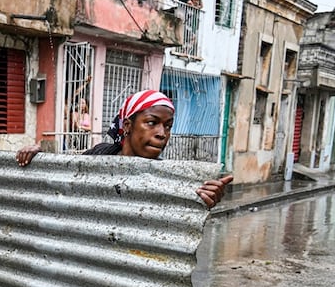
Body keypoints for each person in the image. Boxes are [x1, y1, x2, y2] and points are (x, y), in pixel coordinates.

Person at [15, 89, 233, 208]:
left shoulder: (169, 176)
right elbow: (64, 175)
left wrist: (204, 200)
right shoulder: (100, 154)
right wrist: (39, 159)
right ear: (127, 125)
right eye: (152, 122)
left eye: (168, 126)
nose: (162, 133)